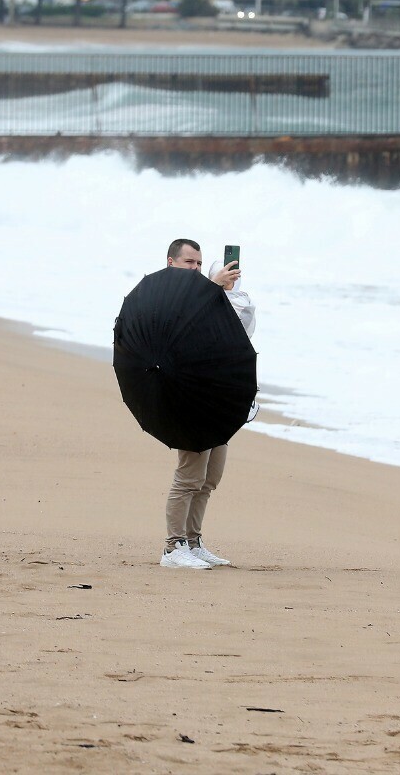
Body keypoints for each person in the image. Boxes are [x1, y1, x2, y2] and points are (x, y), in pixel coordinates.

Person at [159, 237, 256, 570]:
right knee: (189, 476)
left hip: (218, 396)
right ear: (172, 263)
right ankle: (173, 548)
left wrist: (226, 294)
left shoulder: (208, 295)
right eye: (190, 262)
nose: (196, 268)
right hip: (189, 396)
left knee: (210, 477)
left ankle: (193, 542)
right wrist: (213, 289)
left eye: (199, 264)